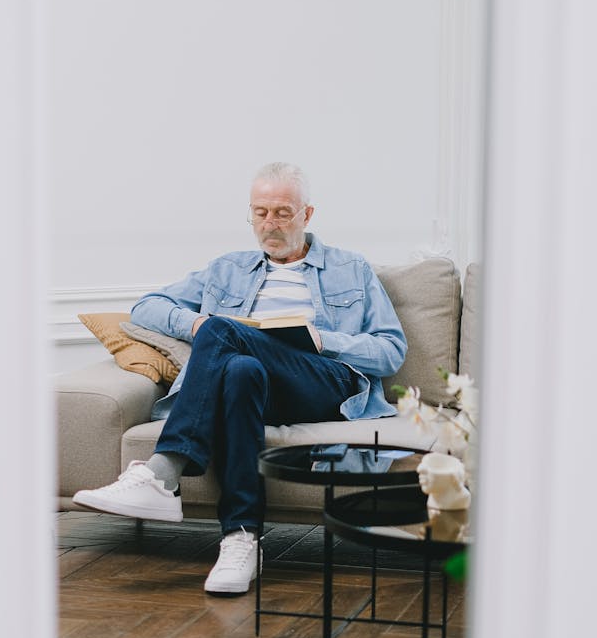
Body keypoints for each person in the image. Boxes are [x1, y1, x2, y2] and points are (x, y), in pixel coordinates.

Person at [74, 162, 407, 594]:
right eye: (260, 212)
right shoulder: (226, 269)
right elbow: (146, 307)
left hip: (324, 383)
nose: (270, 223)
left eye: (282, 212)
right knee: (240, 368)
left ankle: (162, 473)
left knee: (221, 329)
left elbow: (391, 350)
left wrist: (322, 340)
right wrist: (193, 326)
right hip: (255, 386)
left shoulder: (351, 268)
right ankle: (242, 538)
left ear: (307, 215)